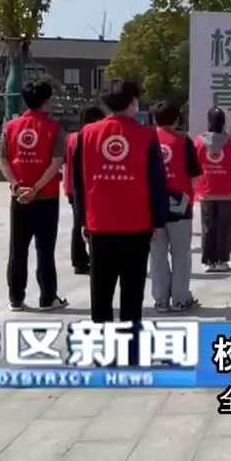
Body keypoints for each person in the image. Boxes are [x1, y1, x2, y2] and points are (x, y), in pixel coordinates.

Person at [71, 80, 168, 340]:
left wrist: (82, 220)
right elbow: (156, 182)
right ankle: (129, 344)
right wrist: (158, 221)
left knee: (100, 289)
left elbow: (78, 183)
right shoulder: (147, 135)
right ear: (133, 102)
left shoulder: (86, 134)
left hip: (99, 224)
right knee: (132, 291)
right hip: (137, 224)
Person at [0, 81, 67, 312]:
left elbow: (3, 159)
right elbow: (56, 162)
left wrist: (17, 186)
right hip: (46, 198)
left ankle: (15, 298)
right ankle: (48, 297)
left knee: (17, 249)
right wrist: (36, 188)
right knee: (45, 250)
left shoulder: (10, 127)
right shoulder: (54, 128)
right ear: (46, 101)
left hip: (19, 198)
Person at [150, 101, 202, 312]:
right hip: (180, 206)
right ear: (177, 118)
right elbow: (195, 175)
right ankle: (180, 299)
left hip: (152, 207)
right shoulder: (184, 140)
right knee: (181, 254)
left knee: (157, 255)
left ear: (154, 118)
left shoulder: (147, 139)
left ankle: (161, 299)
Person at [195, 108, 231, 272]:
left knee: (208, 227)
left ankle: (208, 261)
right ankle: (222, 261)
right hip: (227, 192)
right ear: (223, 122)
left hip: (206, 191)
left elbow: (193, 167)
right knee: (224, 227)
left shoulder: (198, 141)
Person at [64, 106, 104, 275]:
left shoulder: (70, 138)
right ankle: (87, 258)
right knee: (89, 223)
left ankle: (78, 259)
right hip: (86, 186)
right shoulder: (90, 137)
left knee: (77, 222)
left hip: (71, 186)